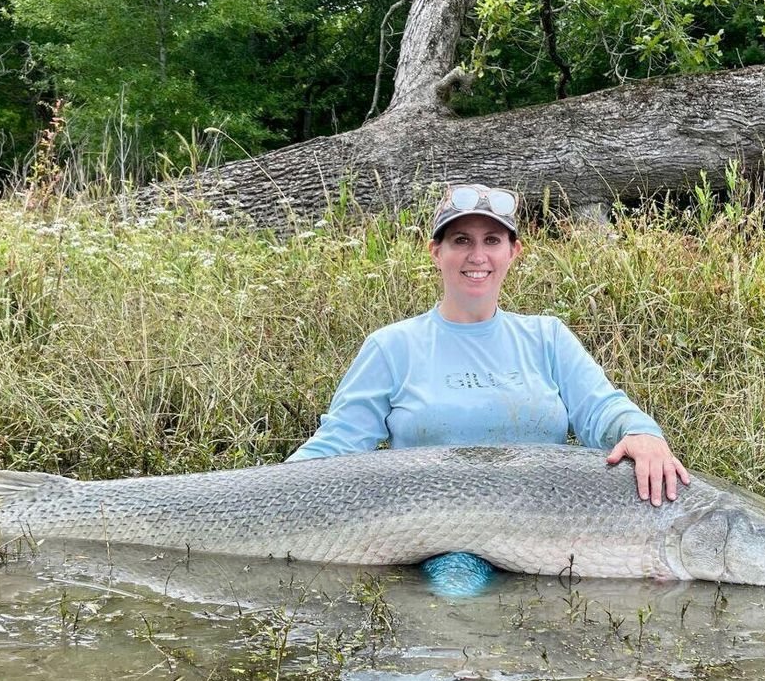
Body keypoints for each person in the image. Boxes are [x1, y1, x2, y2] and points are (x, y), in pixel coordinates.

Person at [287, 183, 689, 507]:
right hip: (431, 531)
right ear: (436, 252)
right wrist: (256, 490)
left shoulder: (547, 337)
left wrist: (642, 433)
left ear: (513, 251)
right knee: (459, 591)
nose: (477, 256)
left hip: (542, 524)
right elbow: (337, 446)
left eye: (492, 240)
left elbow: (602, 408)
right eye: (461, 240)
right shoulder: (392, 346)